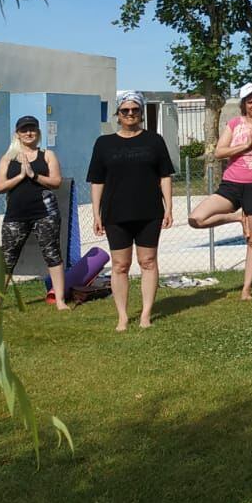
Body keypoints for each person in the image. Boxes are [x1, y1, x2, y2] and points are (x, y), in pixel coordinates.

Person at [187, 83, 252, 300]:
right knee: (196, 218)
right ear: (244, 105)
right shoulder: (234, 124)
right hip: (231, 186)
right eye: (250, 101)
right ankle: (236, 217)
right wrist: (244, 146)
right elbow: (219, 151)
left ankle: (246, 289)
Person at [87, 91, 175, 331]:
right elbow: (97, 181)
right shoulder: (104, 144)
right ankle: (123, 316)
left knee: (147, 261)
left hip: (149, 211)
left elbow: (164, 176)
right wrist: (96, 213)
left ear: (141, 113)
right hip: (116, 213)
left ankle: (146, 314)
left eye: (134, 110)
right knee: (119, 265)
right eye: (125, 110)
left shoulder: (154, 141)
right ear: (118, 114)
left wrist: (169, 207)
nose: (130, 114)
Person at [0, 115, 67, 310]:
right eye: (24, 130)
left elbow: (57, 182)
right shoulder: (8, 158)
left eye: (32, 129)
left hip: (45, 213)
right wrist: (21, 176)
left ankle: (60, 300)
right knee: (8, 257)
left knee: (52, 253)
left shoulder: (47, 155)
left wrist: (34, 175)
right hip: (16, 214)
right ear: (17, 134)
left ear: (38, 132)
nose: (28, 133)